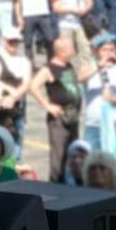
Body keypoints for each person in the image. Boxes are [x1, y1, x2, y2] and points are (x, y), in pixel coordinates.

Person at [30, 36, 91, 181]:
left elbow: (75, 81)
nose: (74, 51)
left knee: (75, 153)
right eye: (71, 48)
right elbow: (33, 86)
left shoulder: (68, 65)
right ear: (62, 51)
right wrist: (47, 105)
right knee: (59, 157)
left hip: (73, 117)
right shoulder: (49, 68)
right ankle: (56, 185)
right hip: (59, 119)